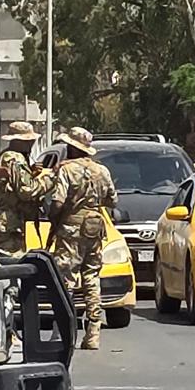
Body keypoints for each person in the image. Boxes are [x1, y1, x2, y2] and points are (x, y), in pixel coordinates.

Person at [44, 126, 117, 350]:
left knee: (65, 279)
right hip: (94, 227)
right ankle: (93, 332)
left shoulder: (66, 170)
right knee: (91, 278)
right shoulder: (102, 171)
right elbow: (112, 200)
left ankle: (62, 331)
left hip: (71, 228)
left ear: (72, 148)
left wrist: (53, 217)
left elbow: (57, 202)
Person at [0, 120, 47, 258]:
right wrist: (49, 180)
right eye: (28, 141)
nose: (31, 144)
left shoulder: (7, 156)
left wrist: (30, 174)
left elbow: (13, 184)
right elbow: (26, 191)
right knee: (13, 263)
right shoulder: (14, 157)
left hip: (7, 222)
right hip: (7, 223)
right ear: (18, 141)